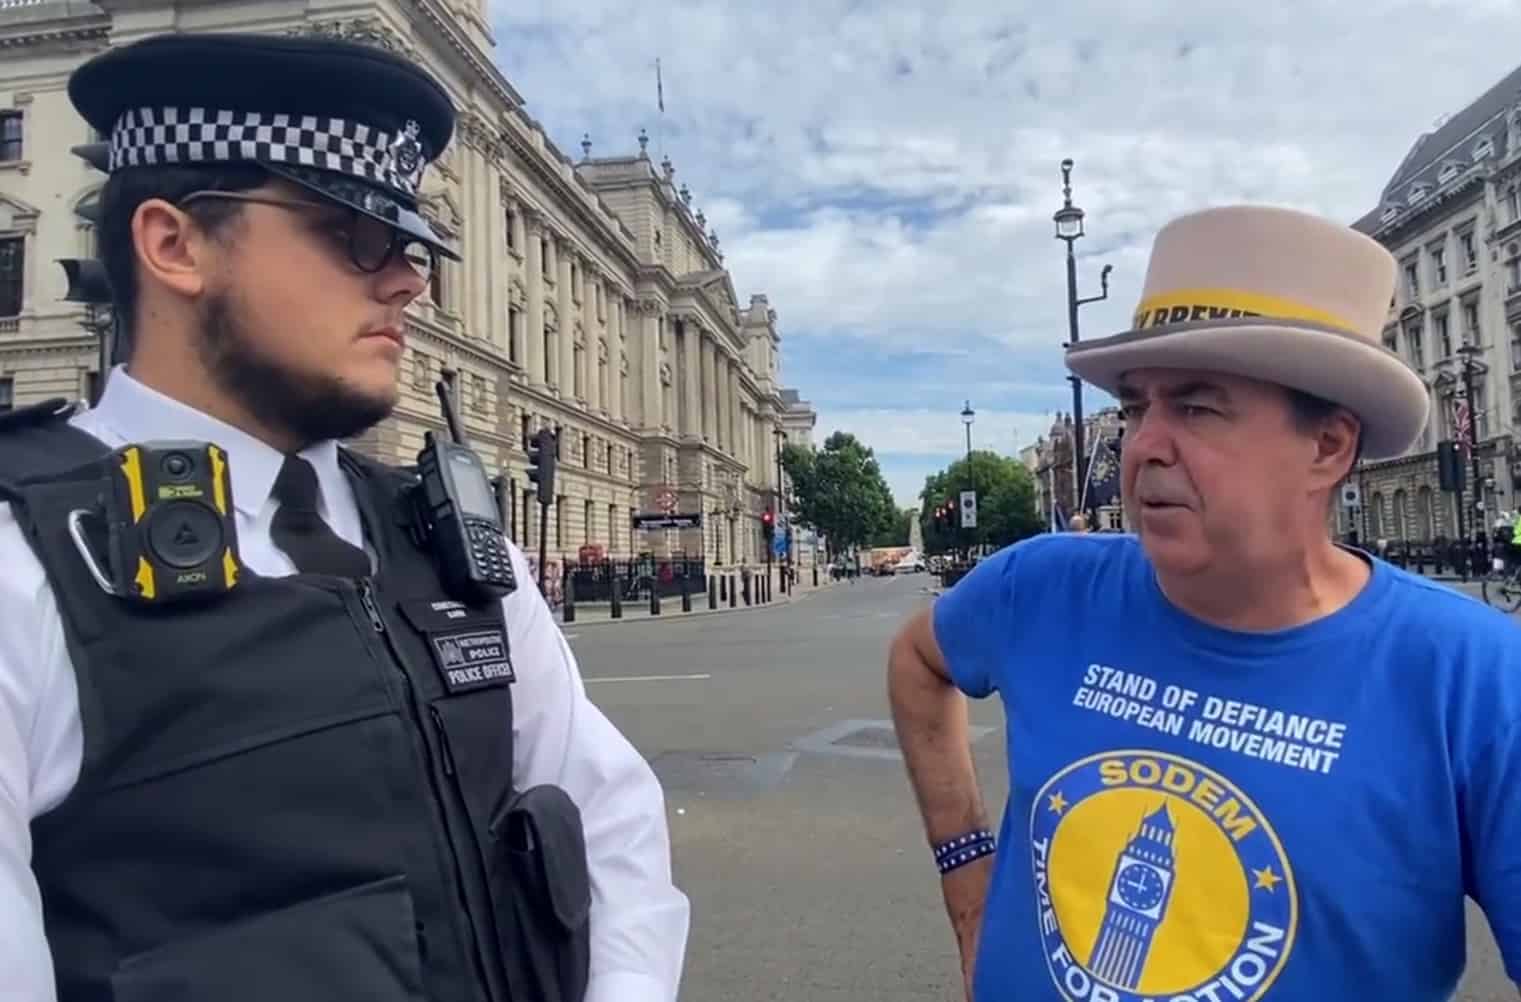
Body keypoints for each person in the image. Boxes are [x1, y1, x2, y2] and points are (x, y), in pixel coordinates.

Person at [0, 32, 688, 1002]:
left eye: (411, 244)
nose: (410, 279)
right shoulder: (22, 566)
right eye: (351, 234)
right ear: (174, 245)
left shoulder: (444, 540)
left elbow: (608, 813)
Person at [888, 204, 1521, 1001]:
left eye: (1195, 407)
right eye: (1134, 408)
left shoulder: (1472, 676)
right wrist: (966, 876)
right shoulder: (1039, 587)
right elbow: (917, 659)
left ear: (1326, 446)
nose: (1143, 444)